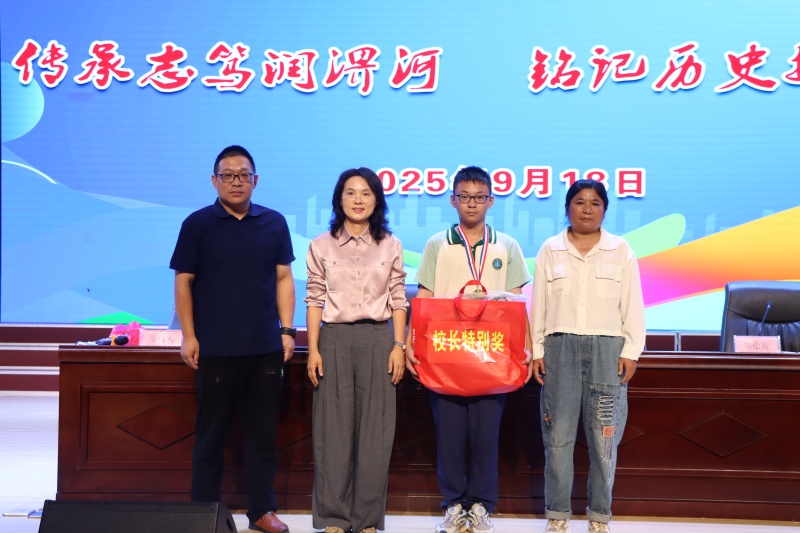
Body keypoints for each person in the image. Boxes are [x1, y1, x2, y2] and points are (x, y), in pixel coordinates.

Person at [170, 145, 296, 533]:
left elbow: (283, 279)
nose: (236, 181)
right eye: (228, 175)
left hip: (265, 349)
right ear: (215, 181)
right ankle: (203, 513)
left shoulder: (274, 223)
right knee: (210, 436)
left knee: (262, 436)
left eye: (243, 175)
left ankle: (261, 510)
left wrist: (287, 330)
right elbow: (184, 282)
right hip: (215, 349)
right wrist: (189, 336)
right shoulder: (197, 224)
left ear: (255, 180)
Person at [405, 166, 532, 533]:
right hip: (446, 352)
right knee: (449, 436)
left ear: (491, 200)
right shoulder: (437, 244)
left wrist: (524, 350)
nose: (472, 203)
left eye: (479, 197)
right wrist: (412, 344)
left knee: (485, 436)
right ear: (453, 200)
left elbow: (516, 303)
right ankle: (453, 505)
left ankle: (480, 505)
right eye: (464, 197)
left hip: (492, 353)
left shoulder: (507, 245)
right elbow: (424, 298)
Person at [529, 179, 645, 533]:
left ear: (604, 209)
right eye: (579, 202)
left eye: (595, 203)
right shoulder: (551, 249)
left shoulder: (620, 250)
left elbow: (633, 304)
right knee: (558, 439)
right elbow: (538, 305)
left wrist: (631, 350)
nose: (587, 209)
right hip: (559, 348)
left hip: (607, 352)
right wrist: (536, 350)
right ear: (568, 208)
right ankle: (557, 515)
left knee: (603, 441)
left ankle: (599, 517)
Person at [305, 167, 408, 533]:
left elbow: (399, 299)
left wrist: (399, 345)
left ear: (377, 200)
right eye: (350, 193)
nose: (358, 200)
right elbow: (314, 298)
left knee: (375, 433)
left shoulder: (391, 244)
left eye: (366, 193)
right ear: (339, 199)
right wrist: (313, 349)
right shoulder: (321, 245)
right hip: (333, 339)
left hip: (378, 339)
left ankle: (366, 519)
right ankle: (334, 517)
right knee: (331, 431)